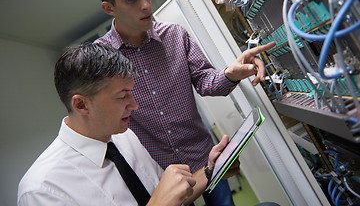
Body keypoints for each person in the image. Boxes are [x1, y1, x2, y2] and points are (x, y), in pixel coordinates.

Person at [93, 0, 276, 205]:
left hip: (204, 159)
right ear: (110, 8)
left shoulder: (175, 36)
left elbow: (205, 82)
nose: (146, 4)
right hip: (158, 177)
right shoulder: (100, 60)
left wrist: (231, 74)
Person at [17, 42, 240, 206]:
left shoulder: (124, 135)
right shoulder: (43, 190)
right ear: (81, 105)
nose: (133, 105)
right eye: (123, 96)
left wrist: (212, 170)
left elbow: (171, 196)